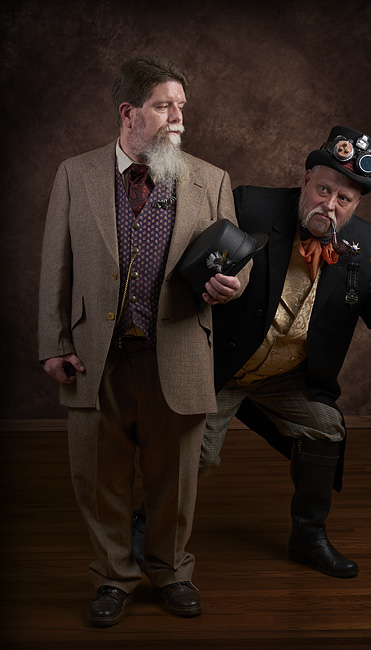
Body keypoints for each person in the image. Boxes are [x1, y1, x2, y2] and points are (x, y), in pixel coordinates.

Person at [133, 125, 371, 578]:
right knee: (198, 455)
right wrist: (210, 285)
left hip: (285, 376)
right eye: (324, 190)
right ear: (306, 178)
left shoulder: (365, 245)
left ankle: (308, 538)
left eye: (344, 199)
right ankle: (146, 524)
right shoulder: (249, 205)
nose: (330, 205)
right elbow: (187, 266)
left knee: (326, 428)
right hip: (223, 366)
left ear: (357, 204)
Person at [38, 54, 248, 627]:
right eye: (164, 106)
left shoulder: (211, 179)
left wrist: (232, 284)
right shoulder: (74, 174)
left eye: (182, 106)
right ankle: (113, 577)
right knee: (99, 477)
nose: (179, 117)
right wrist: (53, 341)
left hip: (176, 353)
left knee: (174, 480)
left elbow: (237, 261)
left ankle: (171, 572)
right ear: (129, 112)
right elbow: (55, 264)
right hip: (96, 357)